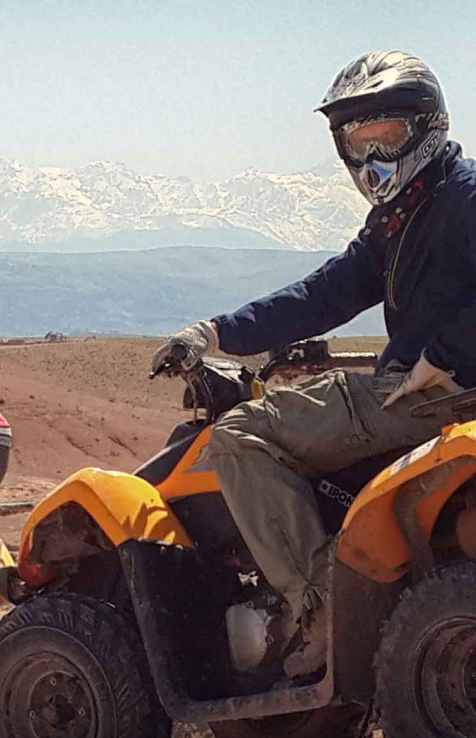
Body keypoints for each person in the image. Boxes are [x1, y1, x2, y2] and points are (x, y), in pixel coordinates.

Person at [151, 50, 476, 678]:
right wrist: (219, 331)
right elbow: (324, 293)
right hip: (430, 391)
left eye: (383, 137)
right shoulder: (400, 217)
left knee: (240, 434)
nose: (369, 157)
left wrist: (447, 353)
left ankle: (317, 603)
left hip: (432, 398)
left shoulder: (461, 199)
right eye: (355, 141)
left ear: (426, 128)